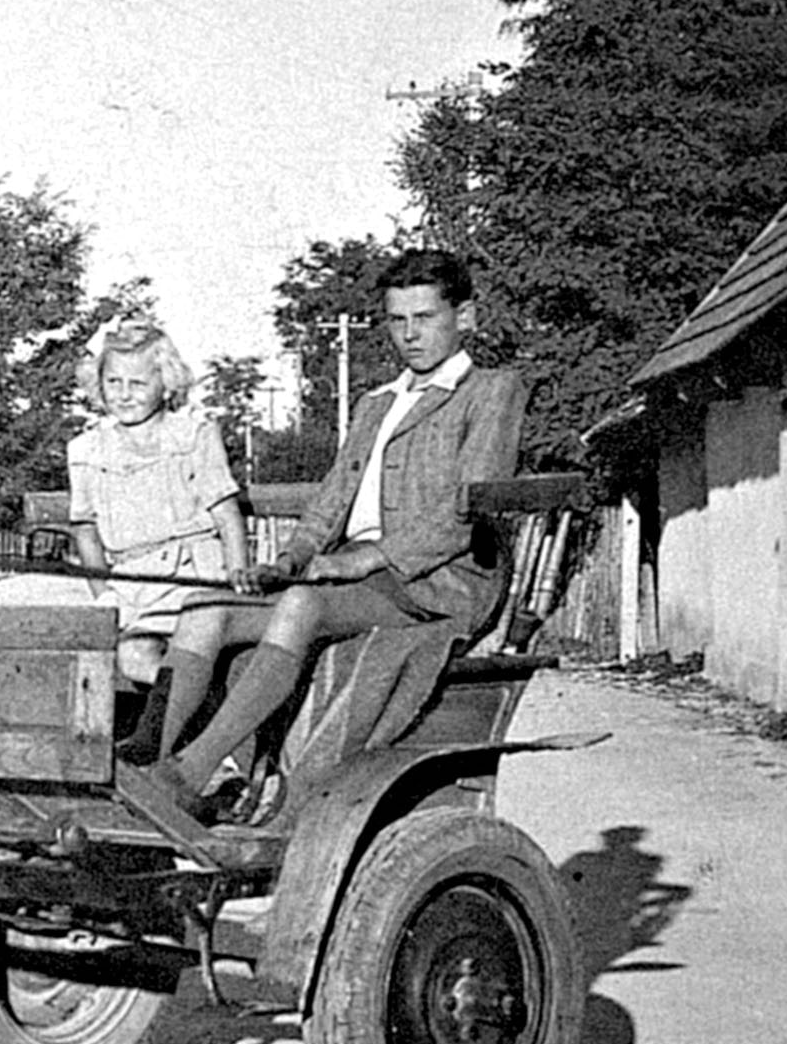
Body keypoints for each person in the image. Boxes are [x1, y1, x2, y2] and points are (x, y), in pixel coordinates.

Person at [139, 247, 525, 820]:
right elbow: (328, 505)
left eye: (425, 318)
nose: (410, 335)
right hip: (355, 581)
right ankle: (147, 761)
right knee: (203, 610)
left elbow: (466, 511)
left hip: (435, 582)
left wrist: (363, 559)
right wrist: (291, 558)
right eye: (398, 320)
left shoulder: (491, 390)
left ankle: (190, 773)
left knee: (298, 607)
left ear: (463, 317)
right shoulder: (377, 403)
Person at [62, 324, 252, 684]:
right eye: (114, 382)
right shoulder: (86, 449)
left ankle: (193, 718)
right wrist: (103, 593)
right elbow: (84, 530)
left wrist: (237, 577)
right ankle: (182, 715)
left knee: (136, 655)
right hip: (126, 585)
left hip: (190, 577)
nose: (124, 395)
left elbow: (227, 515)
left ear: (165, 384)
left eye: (138, 384)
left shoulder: (192, 435)